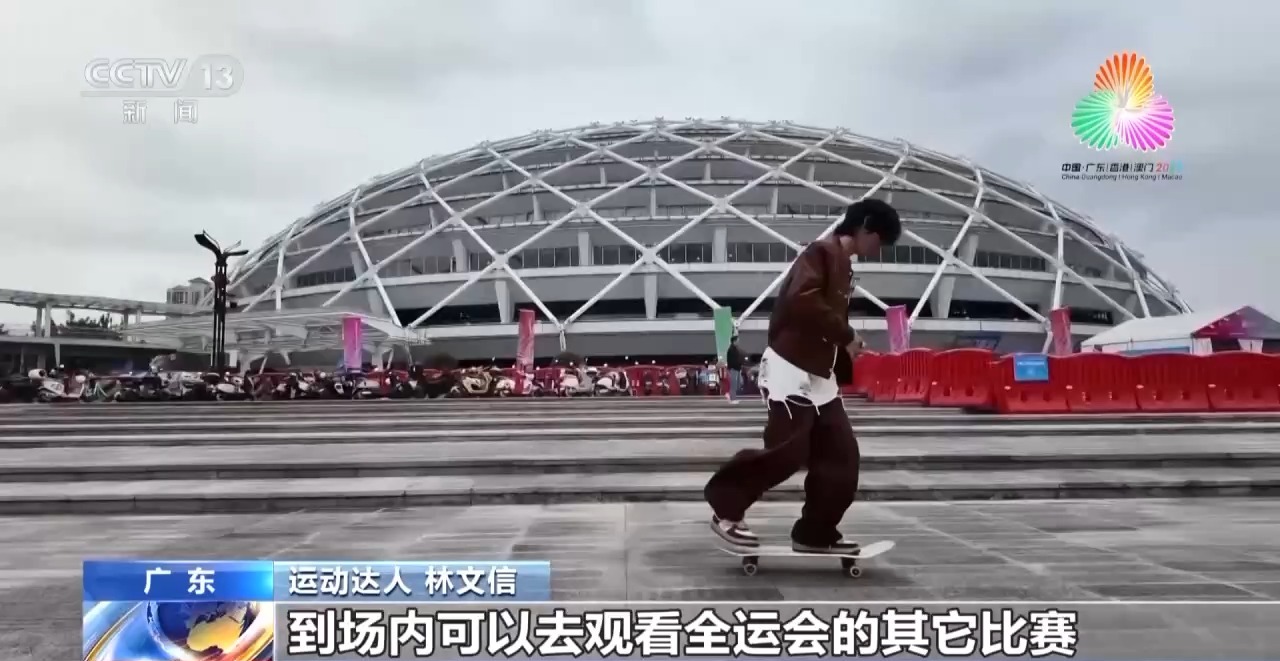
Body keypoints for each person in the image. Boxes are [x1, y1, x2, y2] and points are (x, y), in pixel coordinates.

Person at [703, 198, 901, 553]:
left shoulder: (844, 265)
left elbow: (822, 319)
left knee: (841, 457)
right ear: (865, 226)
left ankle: (815, 531)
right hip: (789, 368)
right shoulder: (820, 253)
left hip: (821, 376)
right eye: (880, 240)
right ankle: (726, 508)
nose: (880, 249)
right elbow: (802, 301)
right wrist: (846, 335)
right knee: (788, 450)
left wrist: (845, 346)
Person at [725, 335, 745, 404]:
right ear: (734, 341)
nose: (738, 342)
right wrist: (737, 365)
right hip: (733, 369)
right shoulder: (731, 350)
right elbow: (732, 361)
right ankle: (732, 399)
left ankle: (730, 395)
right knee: (733, 385)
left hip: (737, 369)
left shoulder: (735, 349)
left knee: (738, 383)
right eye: (737, 341)